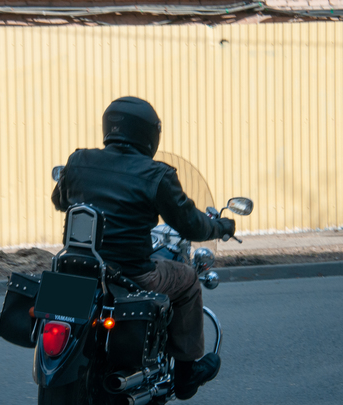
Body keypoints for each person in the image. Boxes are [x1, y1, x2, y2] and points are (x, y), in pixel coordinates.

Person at [51, 96, 235, 400]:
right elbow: (192, 226)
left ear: (108, 127)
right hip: (130, 274)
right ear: (150, 134)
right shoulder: (156, 175)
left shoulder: (77, 161)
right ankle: (187, 375)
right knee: (188, 279)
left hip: (76, 271)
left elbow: (61, 201)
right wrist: (223, 226)